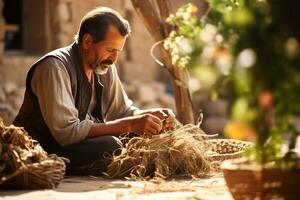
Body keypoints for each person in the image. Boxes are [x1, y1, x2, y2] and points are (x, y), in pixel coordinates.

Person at [13, 7, 175, 175]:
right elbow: (67, 133)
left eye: (118, 51)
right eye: (110, 50)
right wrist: (129, 124)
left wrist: (149, 116)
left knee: (148, 138)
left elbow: (121, 111)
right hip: (38, 150)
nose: (114, 59)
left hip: (74, 146)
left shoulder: (103, 67)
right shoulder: (54, 67)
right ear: (87, 41)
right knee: (110, 146)